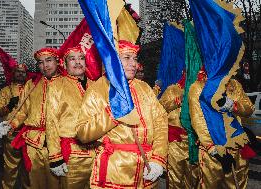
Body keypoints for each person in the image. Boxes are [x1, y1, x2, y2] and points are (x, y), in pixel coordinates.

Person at [75, 40, 168, 188]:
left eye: (135, 58)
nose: (134, 64)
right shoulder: (98, 89)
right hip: (115, 171)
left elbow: (161, 124)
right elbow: (82, 133)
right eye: (126, 58)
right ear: (113, 59)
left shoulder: (144, 88)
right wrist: (113, 113)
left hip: (147, 171)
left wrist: (158, 159)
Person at [0, 48, 67, 189]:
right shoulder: (32, 84)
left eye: (49, 60)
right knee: (34, 184)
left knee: (57, 184)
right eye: (40, 63)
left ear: (57, 62)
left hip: (59, 143)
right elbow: (23, 111)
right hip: (33, 143)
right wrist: (11, 124)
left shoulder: (67, 83)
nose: (45, 66)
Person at [188, 67, 255, 189]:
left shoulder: (234, 84)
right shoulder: (198, 87)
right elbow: (198, 121)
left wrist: (231, 105)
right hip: (212, 152)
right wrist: (215, 151)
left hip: (237, 147)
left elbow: (249, 109)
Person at [58, 47, 96, 189]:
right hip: (72, 156)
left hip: (97, 153)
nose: (78, 62)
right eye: (72, 59)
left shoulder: (95, 86)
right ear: (64, 64)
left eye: (81, 58)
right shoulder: (57, 85)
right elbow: (51, 123)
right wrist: (55, 157)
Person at [158, 71, 199, 189]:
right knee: (174, 179)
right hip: (175, 142)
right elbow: (160, 108)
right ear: (184, 72)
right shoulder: (173, 89)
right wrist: (178, 100)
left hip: (194, 142)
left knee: (192, 179)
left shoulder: (199, 90)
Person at [0, 63, 29, 189]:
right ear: (13, 74)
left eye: (23, 72)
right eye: (18, 71)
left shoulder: (30, 89)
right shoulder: (5, 91)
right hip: (10, 134)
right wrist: (8, 106)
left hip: (28, 134)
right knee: (10, 168)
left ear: (26, 75)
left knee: (28, 168)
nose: (20, 74)